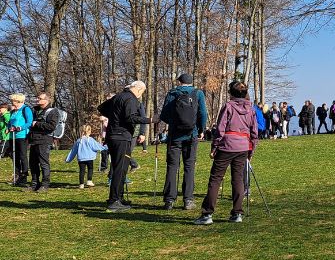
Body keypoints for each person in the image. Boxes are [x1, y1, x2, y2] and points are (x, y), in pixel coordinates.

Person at [195, 80, 258, 225]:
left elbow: (220, 128)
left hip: (227, 145)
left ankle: (207, 214)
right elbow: (254, 132)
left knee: (216, 179)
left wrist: (214, 147)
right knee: (238, 179)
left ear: (231, 93)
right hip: (243, 146)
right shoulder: (251, 109)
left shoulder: (228, 106)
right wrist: (251, 150)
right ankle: (237, 213)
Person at [159, 73, 208, 211]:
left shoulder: (172, 93)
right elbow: (203, 113)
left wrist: (174, 123)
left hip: (174, 136)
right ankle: (188, 200)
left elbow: (164, 115)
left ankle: (169, 200)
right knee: (189, 166)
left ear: (180, 82)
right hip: (191, 134)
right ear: (191, 82)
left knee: (172, 166)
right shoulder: (198, 93)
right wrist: (201, 129)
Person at [97, 81, 149, 212]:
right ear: (138, 89)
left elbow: (101, 108)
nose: (140, 96)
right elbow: (131, 118)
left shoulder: (118, 96)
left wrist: (115, 117)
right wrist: (150, 120)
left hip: (112, 136)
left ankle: (117, 198)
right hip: (122, 137)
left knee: (117, 168)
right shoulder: (130, 99)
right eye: (141, 93)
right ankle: (114, 200)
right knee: (121, 170)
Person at [27, 91, 60, 192]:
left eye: (40, 98)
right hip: (33, 140)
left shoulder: (53, 111)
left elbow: (51, 127)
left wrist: (37, 124)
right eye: (37, 98)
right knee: (32, 163)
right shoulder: (35, 110)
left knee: (43, 163)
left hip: (44, 140)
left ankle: (45, 184)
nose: (37, 100)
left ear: (46, 100)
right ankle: (34, 184)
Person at [65, 124, 107, 188]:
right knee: (90, 169)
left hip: (81, 159)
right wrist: (105, 147)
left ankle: (81, 184)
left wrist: (68, 159)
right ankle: (89, 181)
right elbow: (96, 146)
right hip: (89, 158)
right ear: (89, 131)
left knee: (82, 171)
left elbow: (73, 151)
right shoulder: (90, 140)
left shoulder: (79, 141)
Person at [7, 93, 33, 186]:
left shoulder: (26, 109)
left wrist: (20, 128)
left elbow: (29, 122)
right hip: (12, 136)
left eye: (13, 101)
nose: (12, 103)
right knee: (14, 156)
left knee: (22, 156)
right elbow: (10, 122)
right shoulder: (13, 111)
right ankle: (17, 175)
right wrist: (8, 127)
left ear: (19, 101)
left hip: (22, 136)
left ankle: (24, 176)